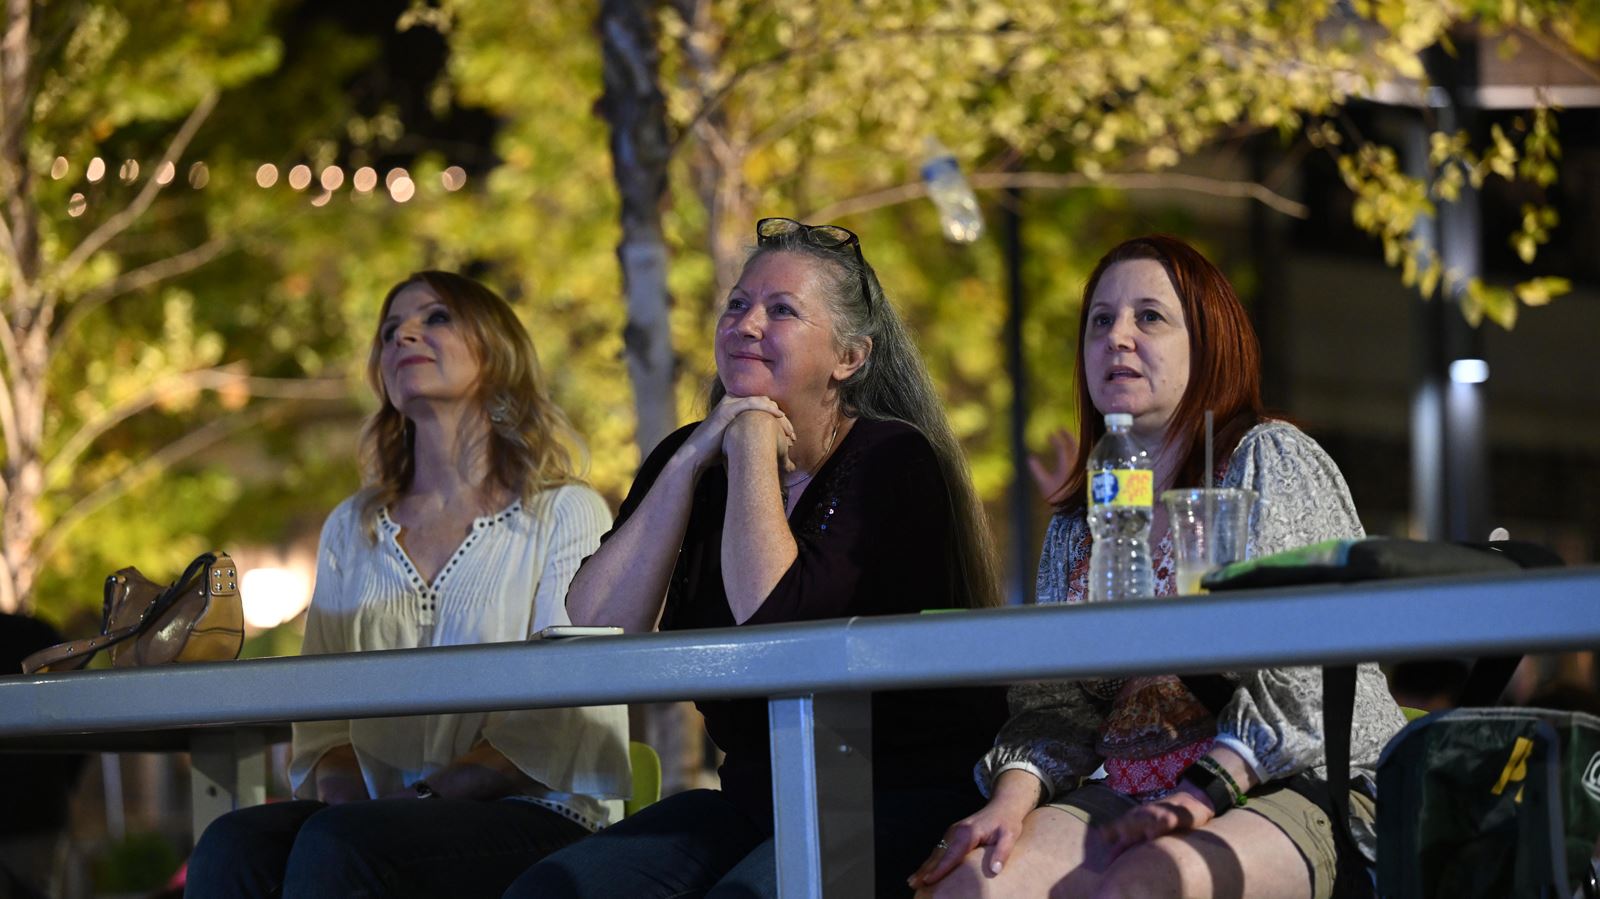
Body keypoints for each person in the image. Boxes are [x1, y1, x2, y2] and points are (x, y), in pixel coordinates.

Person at [506, 217, 1009, 899]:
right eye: (738, 304)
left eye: (781, 310)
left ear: (849, 357)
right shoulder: (697, 453)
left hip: (893, 795)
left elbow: (773, 623)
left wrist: (748, 444)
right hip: (754, 798)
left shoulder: (891, 457)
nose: (746, 324)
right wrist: (686, 461)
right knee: (559, 889)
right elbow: (596, 631)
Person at [910, 235, 1406, 899]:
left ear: (1208, 342)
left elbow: (1315, 677)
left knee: (1144, 885)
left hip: (1299, 776)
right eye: (1100, 320)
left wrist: (1206, 791)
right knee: (972, 882)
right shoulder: (1077, 521)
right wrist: (1010, 798)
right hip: (1136, 787)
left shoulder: (1269, 460)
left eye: (1149, 316)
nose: (1118, 336)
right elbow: (1055, 709)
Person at [186, 271, 629, 899]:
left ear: (497, 350)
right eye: (392, 329)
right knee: (233, 844)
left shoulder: (564, 512)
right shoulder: (354, 526)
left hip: (537, 813)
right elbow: (322, 714)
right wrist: (349, 796)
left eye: (436, 318)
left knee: (345, 846)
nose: (406, 334)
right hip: (378, 815)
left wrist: (421, 797)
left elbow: (568, 711)